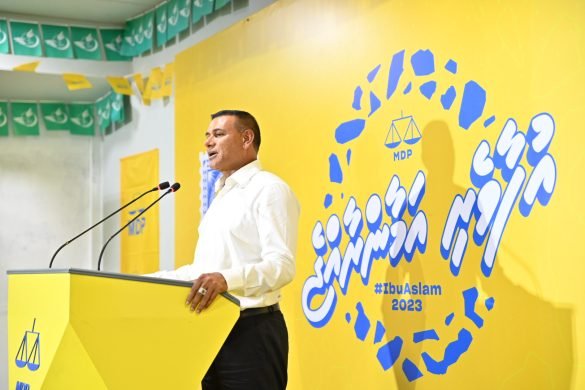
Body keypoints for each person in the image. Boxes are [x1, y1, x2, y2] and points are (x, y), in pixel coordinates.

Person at [149, 110, 300, 390]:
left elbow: (281, 266)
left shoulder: (269, 189)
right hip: (209, 331)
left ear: (246, 138)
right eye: (207, 135)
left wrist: (228, 279)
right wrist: (150, 280)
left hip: (251, 333)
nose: (208, 142)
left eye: (218, 134)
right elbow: (205, 272)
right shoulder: (222, 195)